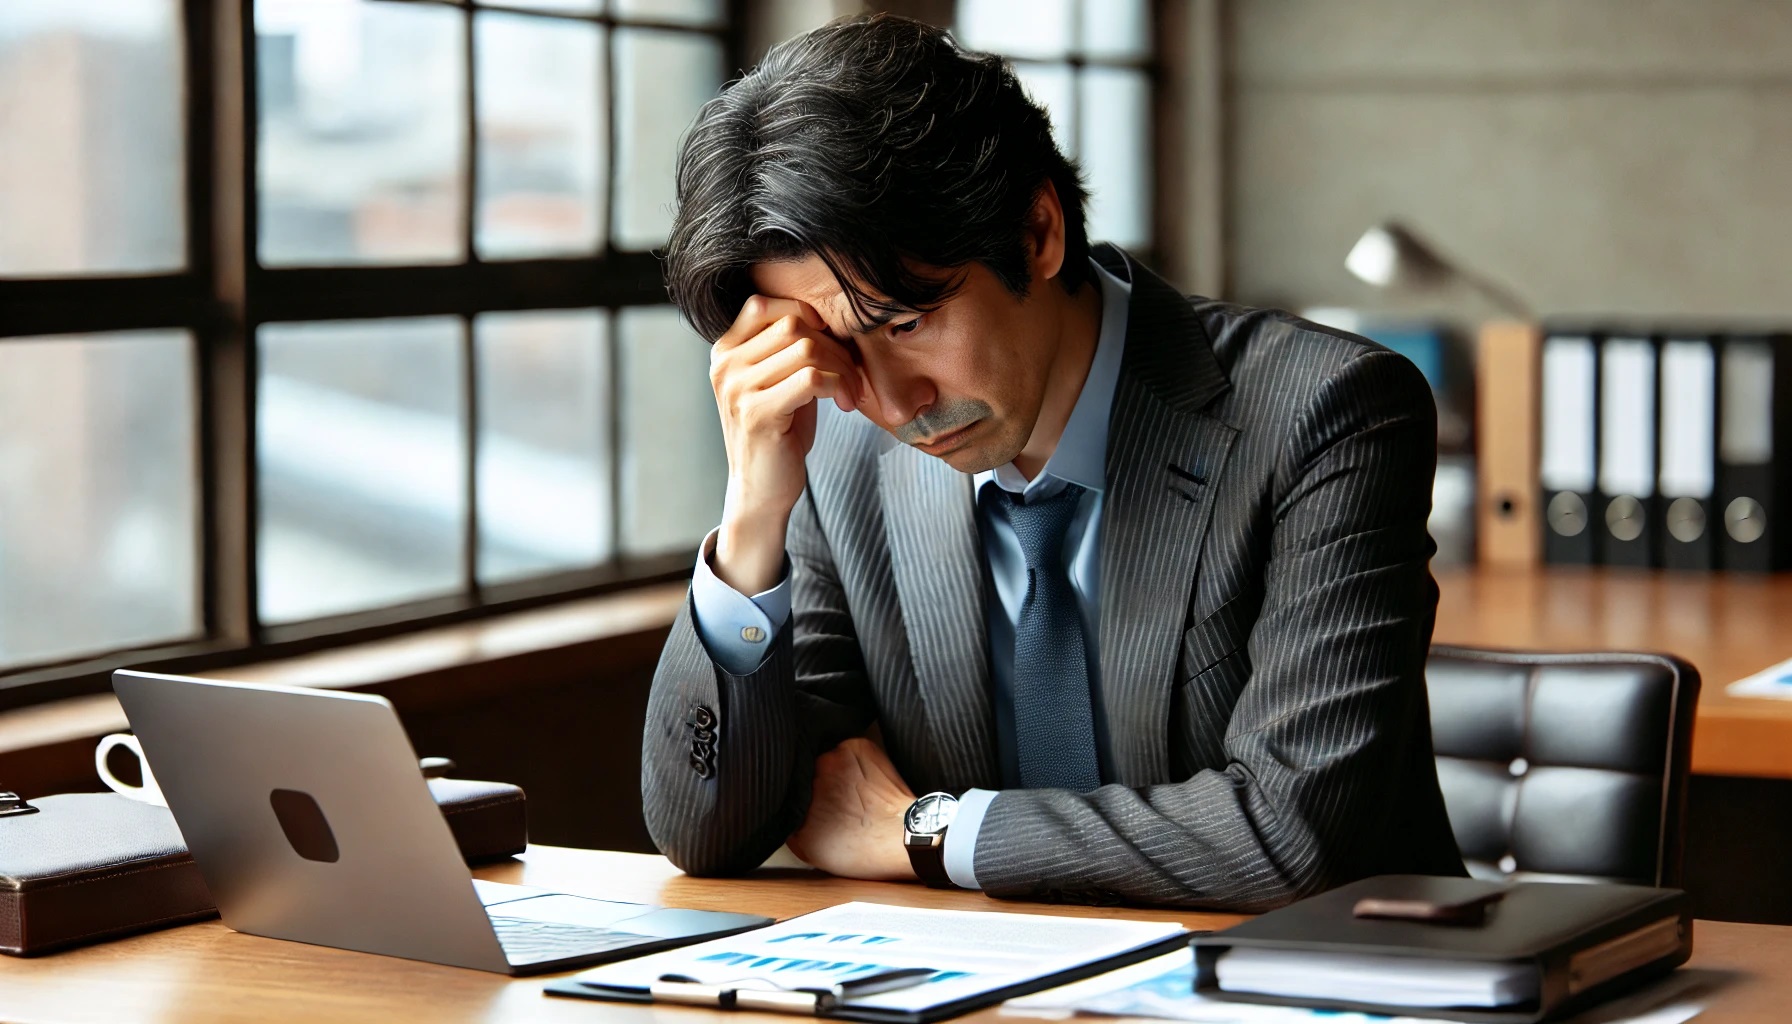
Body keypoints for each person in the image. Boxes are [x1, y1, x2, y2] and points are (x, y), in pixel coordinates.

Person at [640, 13, 1465, 910]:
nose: (892, 404)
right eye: (834, 350)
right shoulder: (836, 449)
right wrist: (754, 514)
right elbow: (710, 834)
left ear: (1035, 232)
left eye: (907, 323)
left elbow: (1295, 833)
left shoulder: (1328, 411)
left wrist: (931, 831)